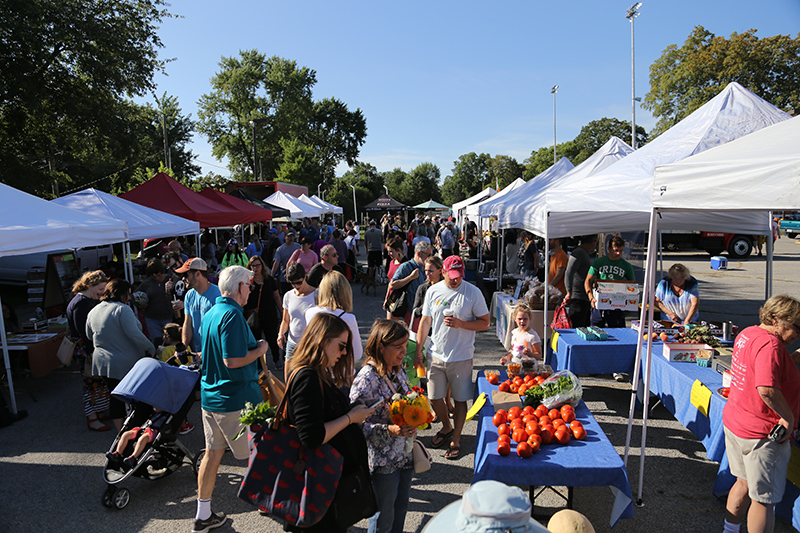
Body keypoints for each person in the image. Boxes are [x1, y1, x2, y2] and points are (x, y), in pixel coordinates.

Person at [282, 313, 376, 533]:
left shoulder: (318, 373)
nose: (344, 352)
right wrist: (351, 418)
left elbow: (323, 416)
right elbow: (311, 436)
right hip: (317, 486)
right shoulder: (308, 377)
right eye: (341, 346)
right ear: (323, 341)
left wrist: (351, 410)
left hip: (324, 484)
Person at [194, 265, 270, 533]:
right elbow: (233, 360)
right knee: (261, 450)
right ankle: (265, 501)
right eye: (249, 285)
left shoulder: (212, 313)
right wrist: (261, 348)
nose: (250, 290)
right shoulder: (233, 316)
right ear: (239, 287)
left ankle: (203, 513)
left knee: (212, 455)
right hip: (236, 398)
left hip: (211, 397)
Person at [722, 295, 800, 533]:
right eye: (796, 327)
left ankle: (729, 529)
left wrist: (795, 357)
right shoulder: (771, 345)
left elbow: (770, 368)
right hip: (762, 434)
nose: (798, 333)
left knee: (743, 483)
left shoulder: (749, 333)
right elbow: (766, 389)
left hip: (738, 422)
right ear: (777, 321)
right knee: (764, 500)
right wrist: (788, 418)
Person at [414, 255, 490, 460]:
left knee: (460, 399)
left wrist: (461, 324)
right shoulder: (433, 290)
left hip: (461, 356)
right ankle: (447, 427)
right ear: (444, 271)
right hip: (436, 353)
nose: (456, 280)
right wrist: (418, 350)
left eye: (459, 276)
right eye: (452, 276)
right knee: (433, 397)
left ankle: (457, 437)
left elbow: (485, 323)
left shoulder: (472, 292)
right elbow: (425, 322)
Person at [349, 319, 417, 533]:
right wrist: (391, 430)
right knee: (383, 518)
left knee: (401, 509)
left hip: (404, 456)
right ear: (381, 346)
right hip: (382, 461)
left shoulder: (396, 370)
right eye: (398, 346)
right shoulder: (366, 379)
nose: (403, 352)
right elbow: (354, 426)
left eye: (405, 346)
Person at [86, 279, 156, 431]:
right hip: (124, 363)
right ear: (122, 294)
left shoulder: (94, 310)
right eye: (128, 294)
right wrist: (151, 348)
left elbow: (89, 335)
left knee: (115, 397)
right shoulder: (122, 310)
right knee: (139, 399)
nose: (130, 298)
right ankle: (138, 431)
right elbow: (135, 334)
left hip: (103, 363)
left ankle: (120, 433)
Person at [66, 270, 111, 432]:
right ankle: (92, 418)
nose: (101, 294)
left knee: (97, 382)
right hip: (86, 350)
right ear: (90, 286)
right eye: (100, 289)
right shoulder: (81, 303)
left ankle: (98, 412)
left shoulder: (83, 300)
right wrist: (92, 352)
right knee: (90, 382)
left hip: (88, 348)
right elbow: (84, 332)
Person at [305, 270, 363, 364]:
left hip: (318, 369)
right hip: (341, 372)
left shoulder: (310, 313)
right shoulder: (348, 319)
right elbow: (357, 354)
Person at [584, 236, 635, 329]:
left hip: (616, 304)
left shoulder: (626, 266)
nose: (618, 253)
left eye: (621, 250)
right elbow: (587, 280)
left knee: (619, 332)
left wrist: (627, 297)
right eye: (615, 250)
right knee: (595, 330)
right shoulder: (599, 262)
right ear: (609, 249)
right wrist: (591, 298)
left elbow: (632, 284)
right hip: (599, 302)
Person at [278, 262, 317, 379]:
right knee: (288, 380)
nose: (296, 286)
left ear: (305, 277)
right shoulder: (288, 296)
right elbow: (285, 320)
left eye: (299, 282)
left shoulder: (317, 295)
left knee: (309, 380)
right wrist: (280, 334)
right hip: (292, 343)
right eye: (292, 283)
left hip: (310, 345)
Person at [175, 258, 221, 355]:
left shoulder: (218, 295)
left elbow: (220, 329)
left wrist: (207, 351)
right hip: (198, 352)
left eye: (186, 275)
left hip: (215, 352)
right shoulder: (189, 295)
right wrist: (184, 346)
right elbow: (187, 323)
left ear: (198, 274)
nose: (183, 279)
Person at [244, 255, 282, 369]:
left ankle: (276, 359)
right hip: (253, 316)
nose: (255, 268)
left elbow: (276, 296)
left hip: (269, 314)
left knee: (272, 338)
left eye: (257, 265)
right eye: (253, 266)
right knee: (255, 341)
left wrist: (281, 311)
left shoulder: (269, 280)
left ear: (262, 266)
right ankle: (259, 364)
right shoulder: (247, 282)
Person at [387, 241, 431, 323]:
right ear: (418, 254)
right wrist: (410, 277)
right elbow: (392, 285)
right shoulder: (406, 266)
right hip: (411, 311)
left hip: (424, 310)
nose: (430, 258)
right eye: (428, 255)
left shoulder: (426, 267)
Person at [136, 258, 174, 346]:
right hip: (152, 318)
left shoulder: (170, 280)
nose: (155, 275)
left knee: (169, 343)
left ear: (161, 271)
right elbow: (135, 296)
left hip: (167, 317)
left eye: (157, 272)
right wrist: (140, 305)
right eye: (151, 274)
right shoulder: (146, 283)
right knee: (157, 343)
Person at [564, 234, 597, 328]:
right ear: (593, 242)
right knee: (577, 327)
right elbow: (569, 271)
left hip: (584, 297)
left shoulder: (583, 253)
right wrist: (569, 292)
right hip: (577, 298)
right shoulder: (579, 252)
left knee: (584, 326)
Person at [412, 255, 443, 326]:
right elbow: (415, 312)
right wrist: (428, 303)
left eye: (431, 271)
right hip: (427, 328)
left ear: (440, 271)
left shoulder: (446, 289)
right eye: (426, 270)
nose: (427, 274)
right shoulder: (422, 288)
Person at [382, 237, 407, 318]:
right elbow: (390, 282)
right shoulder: (392, 262)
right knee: (391, 325)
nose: (388, 254)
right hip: (392, 298)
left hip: (403, 299)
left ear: (398, 250)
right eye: (388, 251)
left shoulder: (407, 264)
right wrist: (386, 298)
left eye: (391, 251)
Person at [272, 229, 301, 294]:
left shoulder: (298, 247)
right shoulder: (280, 249)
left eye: (292, 236)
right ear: (285, 237)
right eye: (289, 236)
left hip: (296, 277)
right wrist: (272, 275)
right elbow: (276, 262)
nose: (291, 238)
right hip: (285, 278)